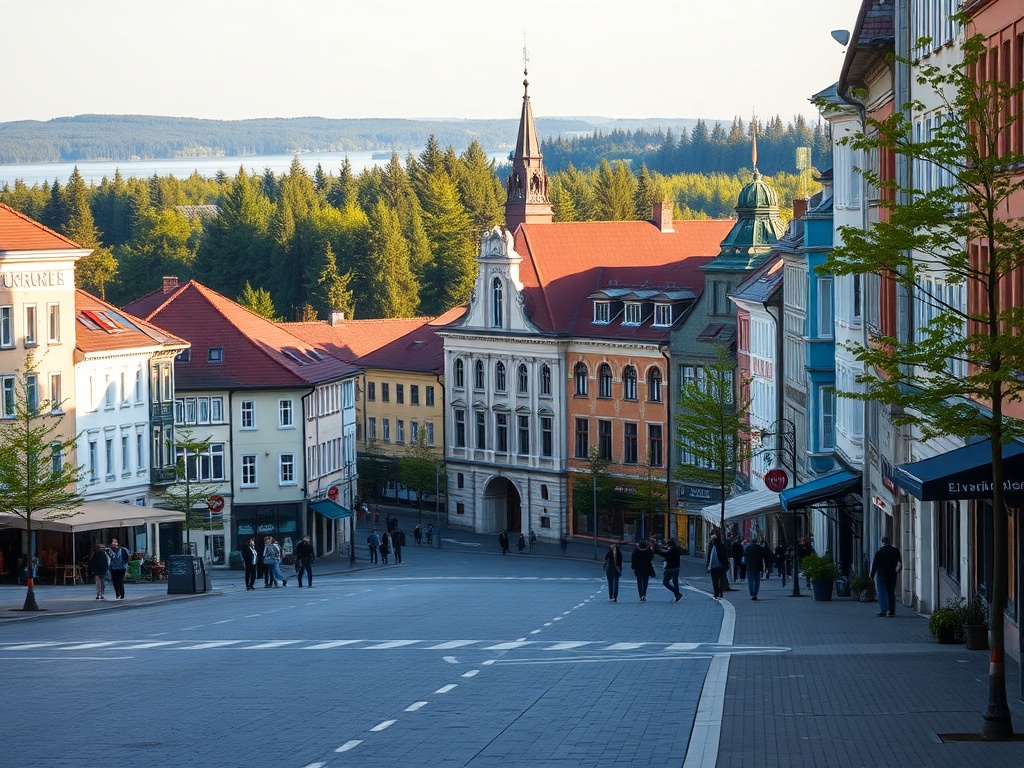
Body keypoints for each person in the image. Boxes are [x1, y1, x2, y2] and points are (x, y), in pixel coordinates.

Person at [869, 535, 902, 617]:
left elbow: (874, 565)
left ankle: (883, 611)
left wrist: (872, 576)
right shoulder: (895, 551)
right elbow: (900, 562)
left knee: (882, 593)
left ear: (882, 542)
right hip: (892, 574)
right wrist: (898, 570)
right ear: (889, 542)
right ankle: (892, 610)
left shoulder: (879, 552)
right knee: (891, 593)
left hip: (881, 575)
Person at [706, 532, 729, 601]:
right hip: (721, 566)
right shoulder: (722, 545)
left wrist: (708, 565)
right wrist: (725, 564)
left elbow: (709, 556)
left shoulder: (711, 546)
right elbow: (725, 555)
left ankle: (716, 594)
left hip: (713, 567)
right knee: (721, 580)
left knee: (714, 581)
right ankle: (720, 592)